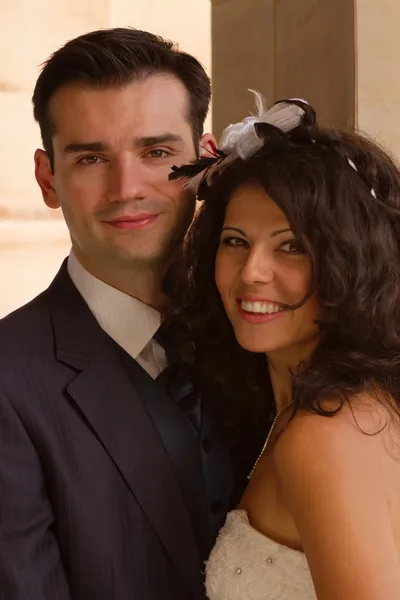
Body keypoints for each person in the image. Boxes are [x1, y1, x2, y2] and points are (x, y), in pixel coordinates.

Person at [0, 27, 241, 600]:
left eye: (157, 152)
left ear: (205, 161)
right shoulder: (8, 381)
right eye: (91, 158)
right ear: (47, 178)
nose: (126, 188)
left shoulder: (263, 334)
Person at [166, 95, 400, 599]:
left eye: (291, 246)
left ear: (348, 264)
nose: (252, 272)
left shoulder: (324, 437)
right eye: (235, 241)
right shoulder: (336, 407)